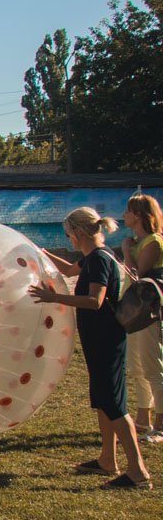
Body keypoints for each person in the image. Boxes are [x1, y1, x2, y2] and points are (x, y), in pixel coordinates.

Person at [30, 207, 152, 489]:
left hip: (107, 339)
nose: (69, 239)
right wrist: (42, 252)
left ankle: (138, 472)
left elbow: (94, 301)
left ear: (80, 233)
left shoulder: (98, 260)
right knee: (102, 400)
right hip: (98, 340)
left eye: (68, 234)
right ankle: (107, 460)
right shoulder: (94, 256)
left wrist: (53, 297)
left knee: (114, 404)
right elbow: (70, 269)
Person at [120, 194, 163, 443]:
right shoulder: (137, 241)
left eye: (128, 211)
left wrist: (126, 250)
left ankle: (159, 424)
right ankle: (142, 418)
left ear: (138, 215)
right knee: (136, 368)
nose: (124, 215)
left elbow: (137, 274)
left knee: (152, 367)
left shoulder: (153, 242)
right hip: (133, 311)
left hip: (148, 312)